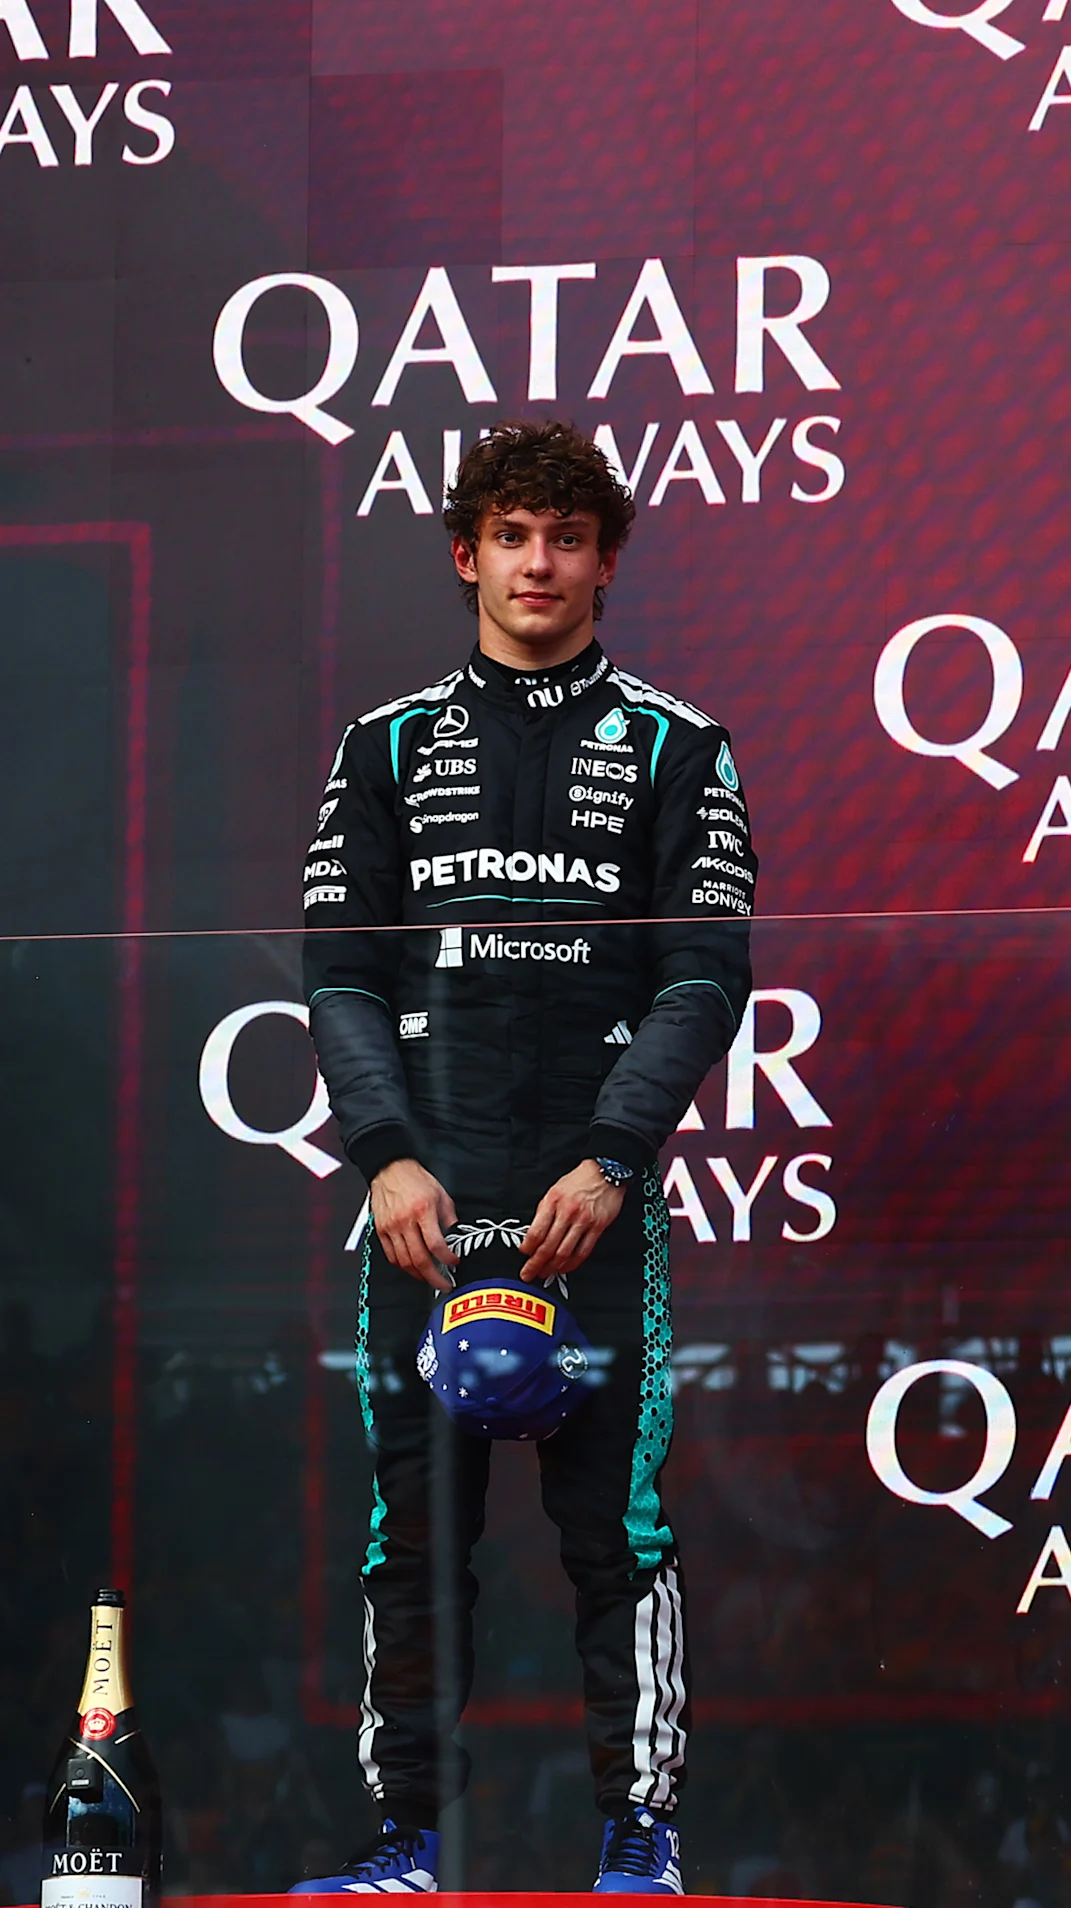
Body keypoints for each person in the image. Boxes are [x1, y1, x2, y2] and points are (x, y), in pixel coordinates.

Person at [295, 420, 754, 1893]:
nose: (538, 561)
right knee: (410, 1537)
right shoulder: (385, 746)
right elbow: (341, 974)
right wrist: (384, 1153)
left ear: (607, 559)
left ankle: (643, 1841)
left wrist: (616, 1154)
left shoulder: (684, 746)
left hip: (589, 1207)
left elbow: (705, 975)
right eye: (512, 534)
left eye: (566, 535)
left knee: (617, 1534)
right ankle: (407, 1842)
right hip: (429, 1203)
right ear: (465, 554)